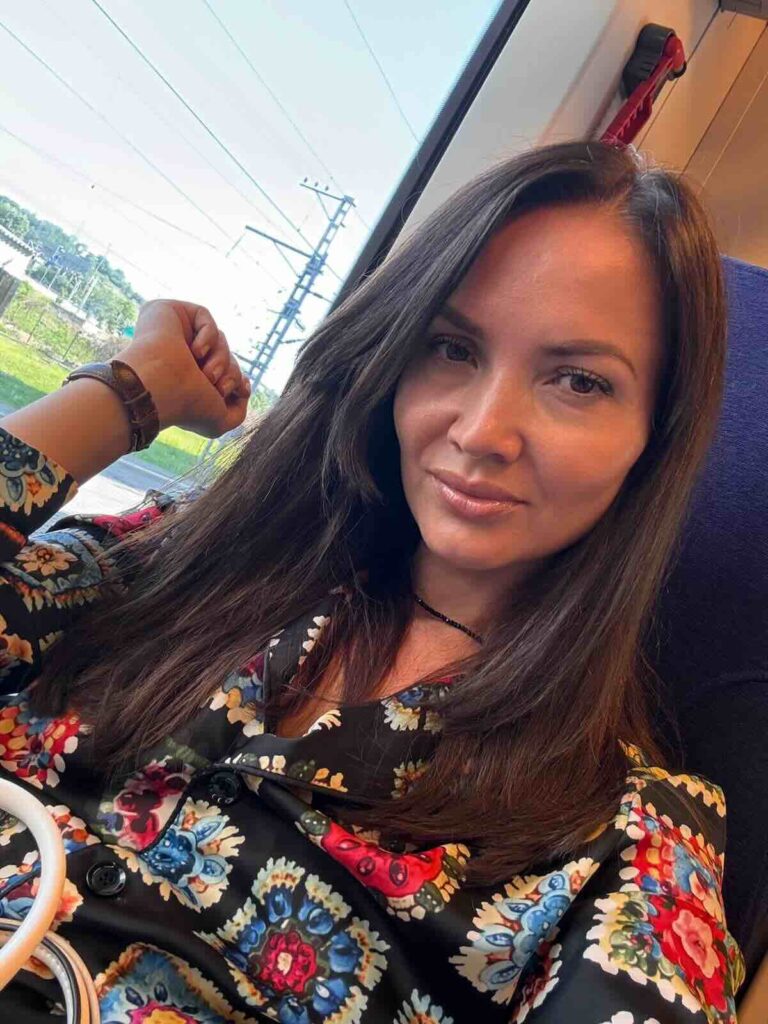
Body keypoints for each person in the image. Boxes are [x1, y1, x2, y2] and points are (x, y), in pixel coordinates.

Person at [0, 141, 745, 1023]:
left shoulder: (627, 845)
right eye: (452, 348)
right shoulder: (188, 560)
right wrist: (135, 391)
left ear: (655, 437)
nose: (483, 431)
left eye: (579, 382)